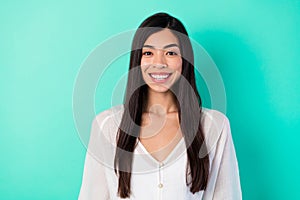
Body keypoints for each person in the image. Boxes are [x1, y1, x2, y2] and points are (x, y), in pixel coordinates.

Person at [78, 12, 242, 200]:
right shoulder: (106, 126)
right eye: (148, 53)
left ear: (184, 60)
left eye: (170, 53)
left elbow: (227, 195)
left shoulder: (215, 126)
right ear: (137, 61)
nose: (159, 63)